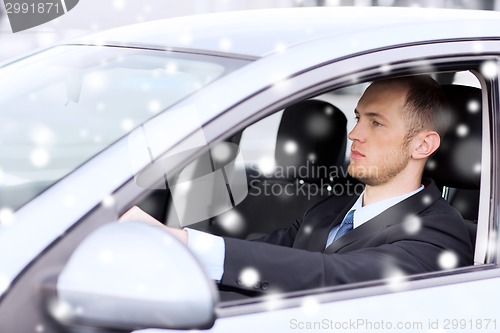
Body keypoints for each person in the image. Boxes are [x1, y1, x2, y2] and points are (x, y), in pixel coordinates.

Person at [121, 75, 473, 294]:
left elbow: (333, 275)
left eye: (376, 123)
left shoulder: (440, 234)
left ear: (422, 145)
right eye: (357, 118)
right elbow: (267, 255)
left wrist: (184, 241)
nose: (354, 134)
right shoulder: (329, 207)